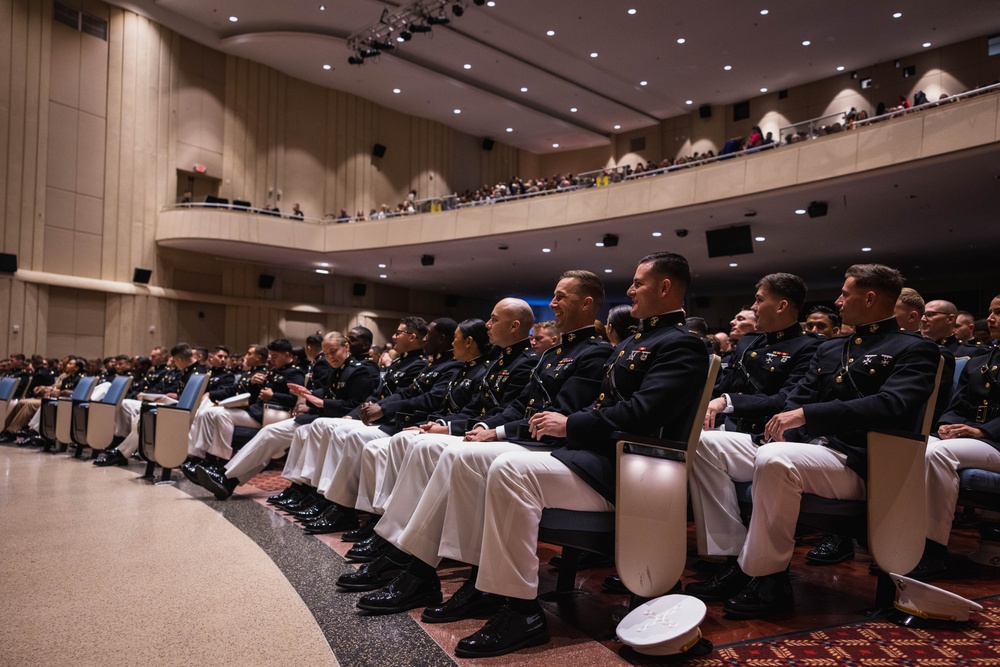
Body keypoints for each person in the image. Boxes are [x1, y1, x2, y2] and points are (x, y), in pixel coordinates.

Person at [442, 253, 708, 657]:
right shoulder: (636, 341)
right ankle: (487, 586)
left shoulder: (682, 344)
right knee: (486, 460)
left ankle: (521, 612)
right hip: (596, 457)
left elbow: (643, 413)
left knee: (511, 469)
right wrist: (570, 426)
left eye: (638, 282)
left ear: (666, 287)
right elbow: (605, 405)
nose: (631, 290)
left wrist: (570, 425)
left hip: (634, 471)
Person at [687, 264, 940, 620]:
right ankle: (729, 555)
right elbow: (796, 399)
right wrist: (791, 420)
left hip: (862, 461)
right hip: (811, 450)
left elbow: (893, 404)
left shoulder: (914, 349)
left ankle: (766, 576)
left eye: (845, 294)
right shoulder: (831, 349)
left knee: (776, 459)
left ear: (869, 298)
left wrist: (808, 416)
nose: (837, 301)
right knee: (703, 443)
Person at [691, 274, 822, 572]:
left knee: (702, 443)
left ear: (782, 305)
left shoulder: (809, 347)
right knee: (691, 438)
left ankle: (729, 555)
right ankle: (723, 553)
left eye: (760, 300)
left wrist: (726, 401)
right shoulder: (749, 343)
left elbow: (784, 401)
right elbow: (722, 386)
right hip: (734, 434)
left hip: (770, 438)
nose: (754, 306)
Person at [194, 330, 380, 500]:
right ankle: (228, 477)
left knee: (274, 433)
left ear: (346, 347)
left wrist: (318, 402)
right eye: (327, 353)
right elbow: (329, 394)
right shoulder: (338, 368)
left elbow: (354, 405)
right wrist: (309, 395)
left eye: (333, 352)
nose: (330, 357)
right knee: (271, 433)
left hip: (336, 421)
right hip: (320, 417)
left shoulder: (360, 368)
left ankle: (231, 477)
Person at [921, 294, 1000, 580]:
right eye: (990, 312)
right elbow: (958, 403)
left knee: (939, 453)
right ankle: (900, 538)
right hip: (975, 441)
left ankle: (932, 550)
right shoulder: (980, 358)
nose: (990, 319)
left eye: (998, 313)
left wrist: (983, 430)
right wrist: (947, 424)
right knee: (917, 446)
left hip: (993, 441)